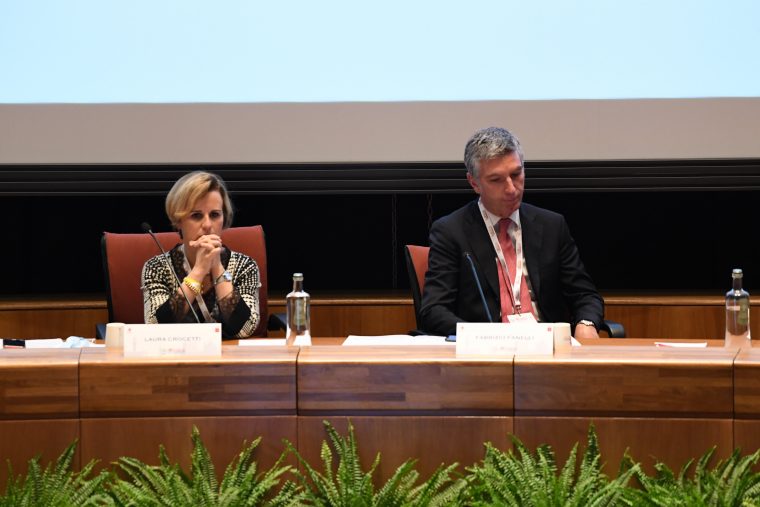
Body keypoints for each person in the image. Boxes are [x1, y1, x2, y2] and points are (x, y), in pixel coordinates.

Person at [420, 127, 603, 339]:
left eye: (516, 174)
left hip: (547, 346)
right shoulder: (451, 231)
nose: (511, 189)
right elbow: (434, 310)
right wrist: (482, 338)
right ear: (474, 183)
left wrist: (586, 323)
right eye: (496, 180)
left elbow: (585, 295)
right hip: (486, 349)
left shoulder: (552, 226)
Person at [141, 171, 260, 339]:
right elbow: (155, 327)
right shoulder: (157, 267)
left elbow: (245, 329)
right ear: (178, 221)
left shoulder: (244, 265)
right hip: (176, 353)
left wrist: (217, 267)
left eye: (215, 215)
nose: (207, 225)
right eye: (196, 216)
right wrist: (199, 270)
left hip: (228, 354)